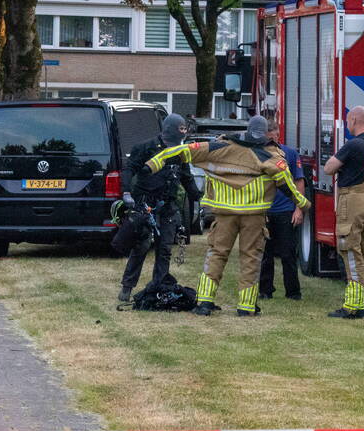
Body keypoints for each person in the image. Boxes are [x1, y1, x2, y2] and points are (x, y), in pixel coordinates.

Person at [146, 115, 310, 317]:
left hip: (224, 214)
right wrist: (303, 204)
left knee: (216, 254)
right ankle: (246, 307)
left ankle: (205, 302)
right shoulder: (269, 155)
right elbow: (287, 183)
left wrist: (153, 163)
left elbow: (185, 150)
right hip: (253, 215)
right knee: (251, 258)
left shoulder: (221, 147)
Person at [117, 114, 201, 303]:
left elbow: (186, 177)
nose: (184, 132)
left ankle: (158, 287)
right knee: (142, 245)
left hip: (168, 204)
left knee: (164, 248)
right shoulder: (145, 147)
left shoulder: (181, 151)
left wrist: (198, 197)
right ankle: (127, 287)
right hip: (146, 203)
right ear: (170, 129)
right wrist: (126, 192)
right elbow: (129, 170)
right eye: (180, 128)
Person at [322, 105, 364, 318]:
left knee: (350, 250)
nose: (347, 124)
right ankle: (363, 301)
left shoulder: (353, 144)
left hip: (352, 199)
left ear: (354, 120)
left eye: (348, 121)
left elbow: (328, 168)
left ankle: (352, 305)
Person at [258, 120, 305, 300]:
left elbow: (299, 181)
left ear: (278, 134)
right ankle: (265, 291)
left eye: (273, 137)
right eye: (267, 138)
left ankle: (293, 293)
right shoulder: (258, 154)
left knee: (288, 255)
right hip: (264, 211)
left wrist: (299, 209)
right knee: (265, 254)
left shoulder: (290, 154)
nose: (270, 142)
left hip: (286, 211)